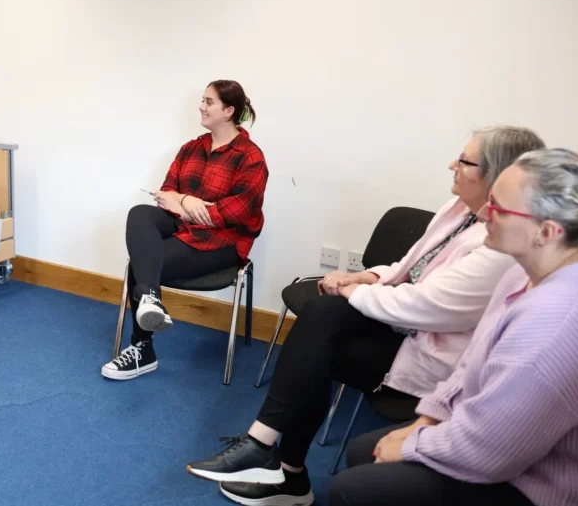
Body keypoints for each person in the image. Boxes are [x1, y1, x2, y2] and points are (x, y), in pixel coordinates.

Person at [185, 126, 546, 506]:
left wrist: (353, 290)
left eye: (465, 160)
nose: (452, 164)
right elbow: (411, 267)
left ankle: (280, 466)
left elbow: (423, 305)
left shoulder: (497, 245)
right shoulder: (458, 210)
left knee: (319, 343)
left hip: (429, 353)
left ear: (497, 176)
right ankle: (273, 457)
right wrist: (364, 276)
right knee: (319, 328)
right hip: (405, 328)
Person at [329, 148, 578, 506]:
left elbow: (495, 452)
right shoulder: (519, 273)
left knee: (350, 490)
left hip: (534, 484)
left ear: (547, 232)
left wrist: (414, 445)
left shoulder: (555, 326)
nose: (482, 214)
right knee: (362, 452)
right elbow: (470, 363)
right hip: (491, 441)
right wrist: (424, 423)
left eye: (499, 208)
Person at [101, 80, 269, 380]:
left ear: (229, 111)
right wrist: (187, 201)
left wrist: (186, 204)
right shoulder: (192, 148)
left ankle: (142, 349)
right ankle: (151, 300)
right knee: (140, 213)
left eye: (208, 102)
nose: (201, 107)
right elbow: (166, 192)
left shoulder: (250, 158)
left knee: (143, 264)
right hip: (184, 229)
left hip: (223, 244)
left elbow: (236, 212)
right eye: (202, 100)